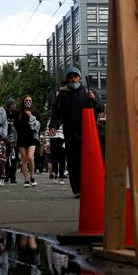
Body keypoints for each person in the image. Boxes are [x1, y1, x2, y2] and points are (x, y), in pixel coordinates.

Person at [49, 67, 104, 197]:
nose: (73, 79)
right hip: (70, 133)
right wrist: (53, 125)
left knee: (88, 162)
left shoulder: (88, 92)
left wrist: (93, 99)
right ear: (67, 79)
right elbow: (56, 112)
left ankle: (90, 187)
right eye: (70, 77)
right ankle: (77, 189)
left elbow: (100, 108)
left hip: (87, 132)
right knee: (73, 163)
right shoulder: (62, 95)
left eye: (75, 76)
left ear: (80, 78)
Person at [16, 95, 41, 187]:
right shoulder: (18, 113)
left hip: (32, 138)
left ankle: (33, 176)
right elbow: (15, 126)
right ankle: (26, 180)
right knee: (24, 159)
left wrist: (31, 116)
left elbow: (37, 127)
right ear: (23, 101)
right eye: (26, 100)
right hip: (21, 138)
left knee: (30, 157)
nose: (28, 102)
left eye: (30, 100)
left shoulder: (35, 113)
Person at [4, 99, 19, 183]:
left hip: (15, 139)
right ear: (9, 105)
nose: (15, 106)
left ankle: (13, 177)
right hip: (6, 138)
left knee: (14, 158)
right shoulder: (4, 114)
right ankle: (6, 176)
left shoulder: (17, 114)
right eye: (13, 104)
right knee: (5, 158)